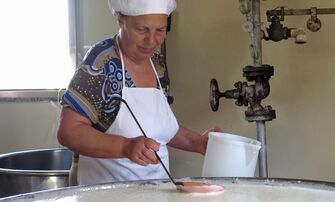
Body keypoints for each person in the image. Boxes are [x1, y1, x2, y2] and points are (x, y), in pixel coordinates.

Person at [57, 0, 221, 186]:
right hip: (106, 198)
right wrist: (125, 147)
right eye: (142, 29)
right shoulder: (102, 62)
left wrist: (198, 143)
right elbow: (68, 132)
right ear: (120, 20)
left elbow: (160, 128)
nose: (151, 41)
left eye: (160, 30)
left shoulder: (156, 63)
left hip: (155, 195)